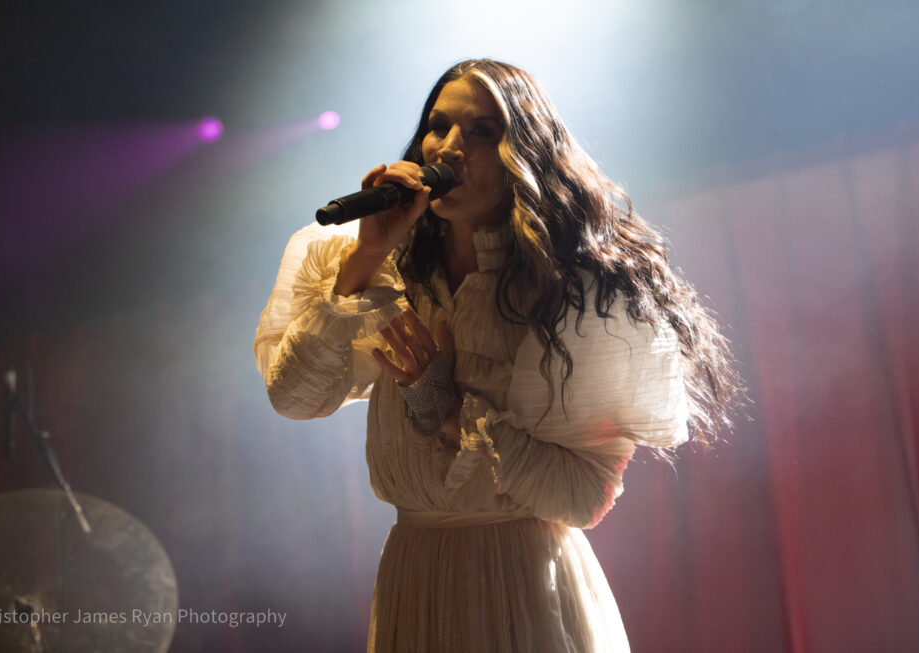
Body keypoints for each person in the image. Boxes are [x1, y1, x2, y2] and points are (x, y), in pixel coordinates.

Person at [254, 59, 739, 652]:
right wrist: (368, 254)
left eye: (482, 132)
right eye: (438, 126)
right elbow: (294, 398)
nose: (449, 148)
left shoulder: (572, 292)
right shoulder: (382, 271)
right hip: (414, 578)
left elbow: (584, 495)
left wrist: (447, 410)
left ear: (524, 156)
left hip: (523, 587)